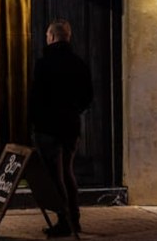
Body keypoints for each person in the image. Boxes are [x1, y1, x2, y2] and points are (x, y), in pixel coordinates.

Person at [30, 19, 94, 238]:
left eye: (48, 36)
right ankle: (74, 219)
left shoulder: (44, 64)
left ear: (52, 37)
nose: (46, 39)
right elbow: (88, 96)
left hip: (47, 127)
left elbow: (36, 97)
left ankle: (64, 220)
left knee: (53, 176)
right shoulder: (79, 63)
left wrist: (33, 121)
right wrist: (73, 110)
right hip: (70, 126)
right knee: (67, 172)